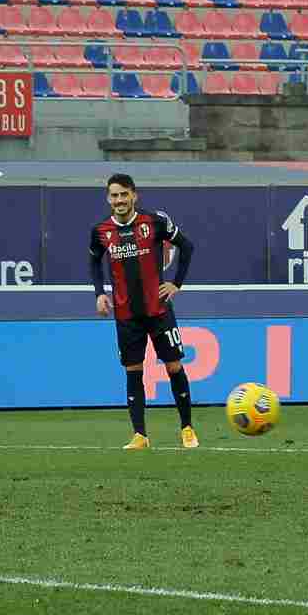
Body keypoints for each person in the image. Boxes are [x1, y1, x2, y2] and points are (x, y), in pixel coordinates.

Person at [89, 173, 198, 450]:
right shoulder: (101, 231)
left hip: (158, 309)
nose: (119, 200)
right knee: (133, 370)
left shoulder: (154, 222)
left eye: (124, 194)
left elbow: (187, 245)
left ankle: (187, 428)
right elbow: (93, 261)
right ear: (108, 199)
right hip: (126, 314)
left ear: (134, 195)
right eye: (114, 195)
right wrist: (100, 293)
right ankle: (140, 435)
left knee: (173, 366)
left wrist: (176, 283)